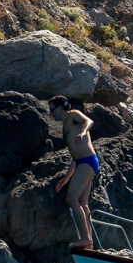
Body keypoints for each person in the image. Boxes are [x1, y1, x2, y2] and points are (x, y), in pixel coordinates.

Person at [50, 99, 99, 251]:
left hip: (87, 162)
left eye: (52, 110)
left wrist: (84, 131)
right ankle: (88, 241)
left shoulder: (73, 115)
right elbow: (75, 158)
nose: (51, 114)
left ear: (60, 108)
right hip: (83, 162)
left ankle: (84, 238)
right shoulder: (66, 125)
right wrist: (66, 179)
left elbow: (88, 121)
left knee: (72, 199)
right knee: (83, 202)